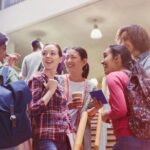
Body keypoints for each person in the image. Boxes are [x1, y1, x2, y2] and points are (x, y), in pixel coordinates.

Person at [101, 44, 150, 150]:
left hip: (127, 138)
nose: (102, 61)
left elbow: (120, 110)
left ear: (117, 58)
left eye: (105, 56)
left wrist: (106, 115)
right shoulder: (139, 77)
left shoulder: (114, 76)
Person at [28, 43, 74, 150]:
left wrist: (72, 131)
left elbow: (63, 111)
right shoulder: (37, 79)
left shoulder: (59, 82)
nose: (48, 56)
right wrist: (50, 91)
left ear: (60, 59)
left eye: (52, 53)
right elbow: (33, 109)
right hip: (45, 137)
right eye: (44, 54)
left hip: (63, 137)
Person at [58, 47, 101, 150]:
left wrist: (96, 108)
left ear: (84, 61)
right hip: (60, 131)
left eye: (73, 57)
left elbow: (95, 109)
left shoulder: (92, 86)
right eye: (67, 57)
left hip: (81, 133)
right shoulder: (58, 80)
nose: (68, 61)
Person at [0, 33, 19, 150]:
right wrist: (9, 69)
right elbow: (18, 94)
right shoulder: (7, 71)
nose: (5, 52)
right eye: (3, 48)